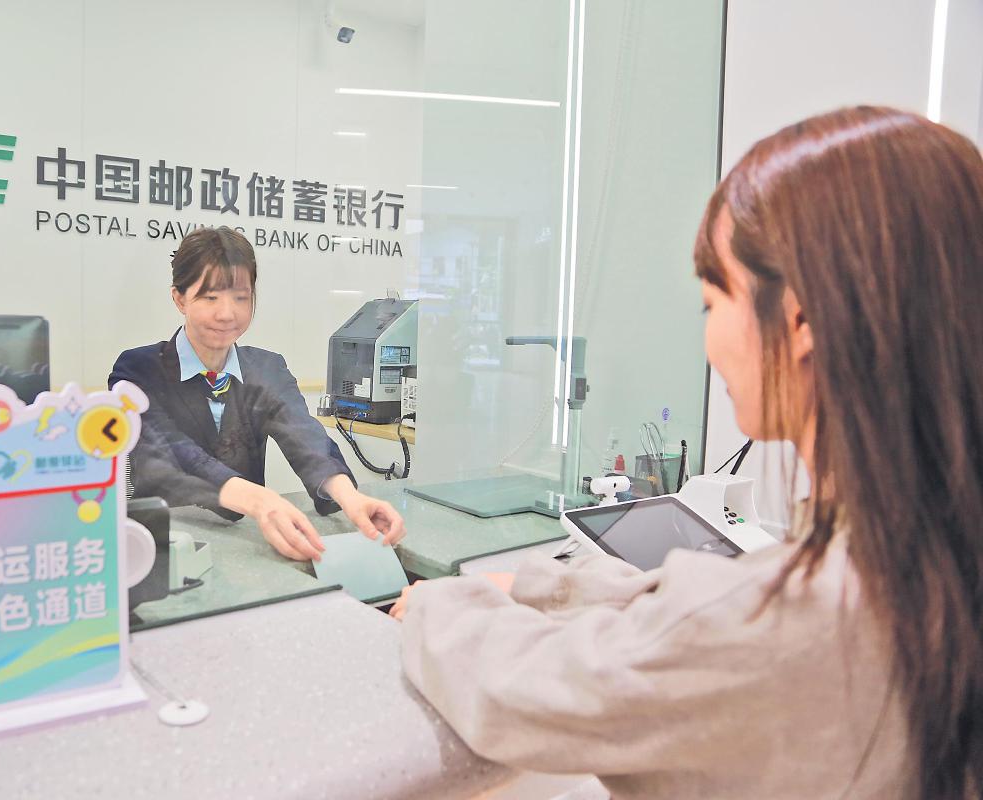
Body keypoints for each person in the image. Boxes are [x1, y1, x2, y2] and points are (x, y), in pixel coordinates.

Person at [390, 107, 983, 799]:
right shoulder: (932, 561)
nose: (709, 341)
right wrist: (542, 588)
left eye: (712, 301)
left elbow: (522, 691)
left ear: (802, 318)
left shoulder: (813, 615)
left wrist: (438, 607)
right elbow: (702, 620)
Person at [110, 226, 405, 561]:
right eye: (210, 297)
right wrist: (262, 501)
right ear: (179, 298)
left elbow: (305, 437)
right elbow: (170, 455)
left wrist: (351, 498)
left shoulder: (266, 368)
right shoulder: (139, 370)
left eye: (241, 297)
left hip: (246, 545)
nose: (227, 313)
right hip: (164, 547)